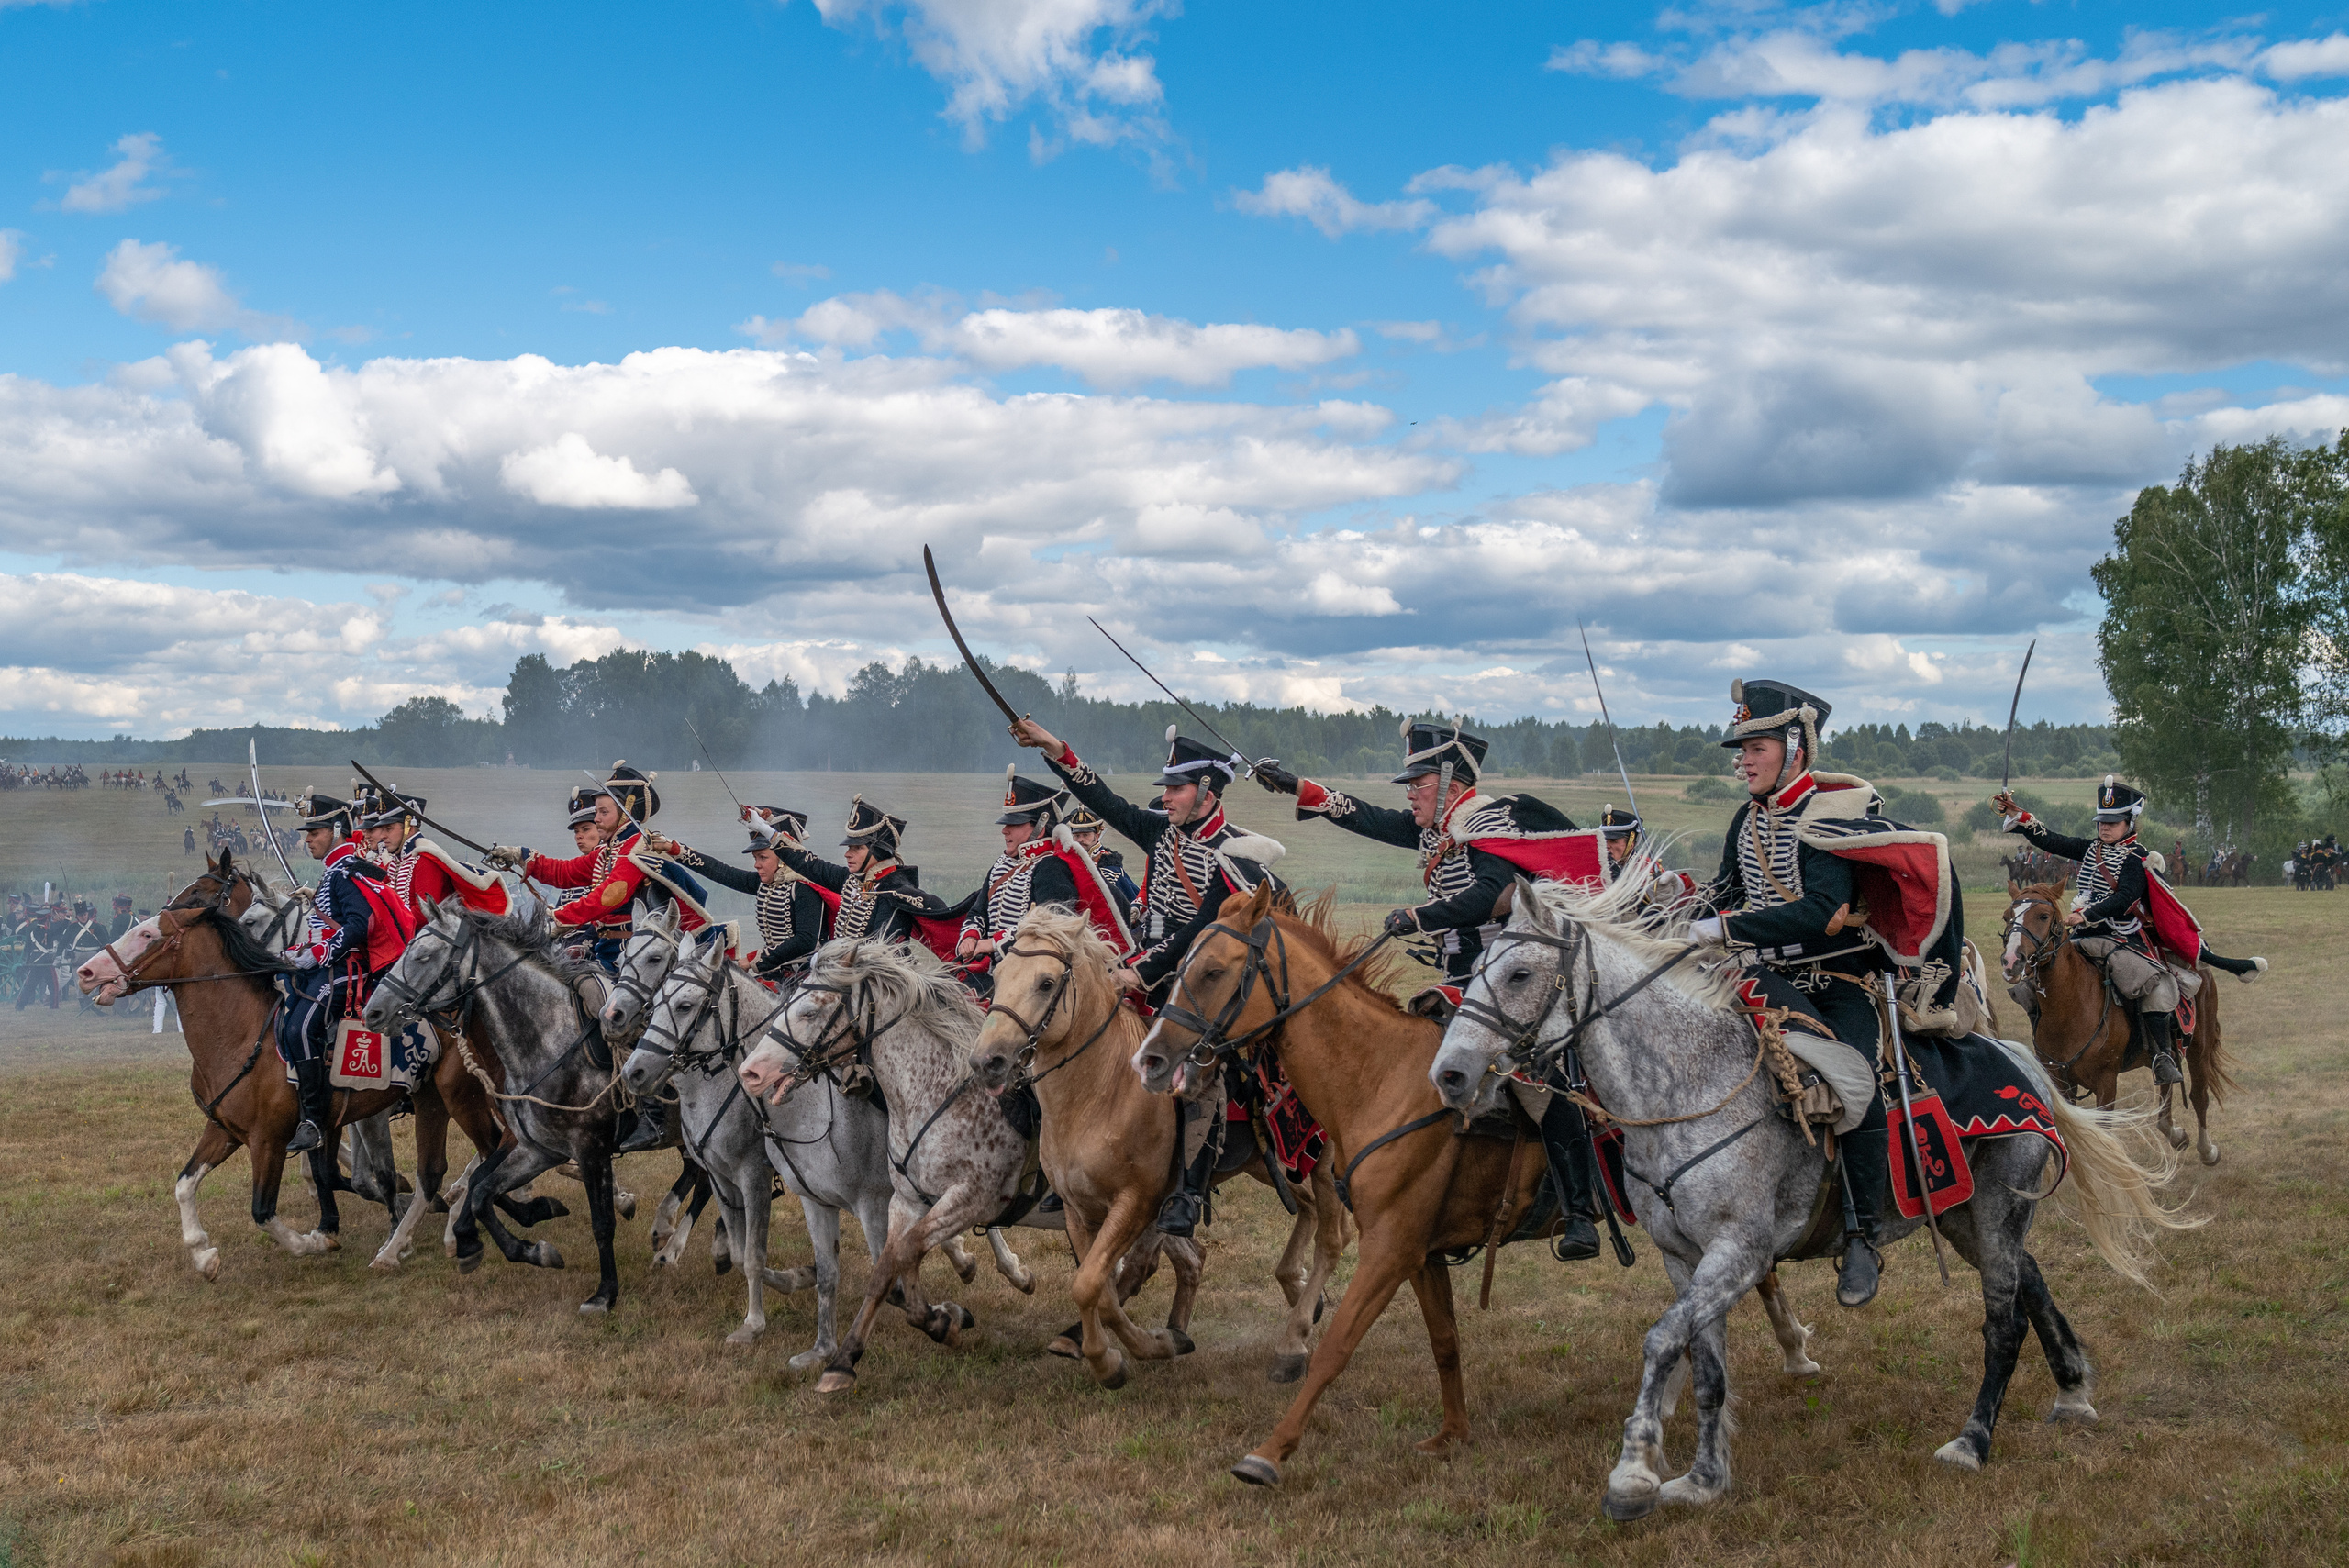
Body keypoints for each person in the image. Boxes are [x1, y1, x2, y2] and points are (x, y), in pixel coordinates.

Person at [1257, 719, 1604, 1261]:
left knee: (1542, 1078)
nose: (1411, 794)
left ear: (1448, 782)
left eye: (1418, 783)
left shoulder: (1487, 824)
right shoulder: (1438, 830)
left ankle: (1580, 1210)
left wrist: (1421, 915)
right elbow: (1373, 819)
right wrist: (1301, 788)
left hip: (1512, 979)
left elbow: (1494, 892)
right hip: (1463, 979)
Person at [1011, 717, 1284, 1239]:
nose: (1167, 798)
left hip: (1196, 983)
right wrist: (1055, 749)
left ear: (1207, 791)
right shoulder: (1162, 831)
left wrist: (1143, 970)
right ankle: (1065, 1172)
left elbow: (1205, 927)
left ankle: (1186, 1189)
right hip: (1142, 970)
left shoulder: (1236, 853)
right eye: (1167, 788)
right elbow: (1106, 800)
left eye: (1176, 788)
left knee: (1197, 1072)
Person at [1687, 679, 1890, 1308]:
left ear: (1795, 745)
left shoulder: (1827, 817)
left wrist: (1726, 927)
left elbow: (1821, 911)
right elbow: (1725, 891)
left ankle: (1863, 1233)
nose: (1743, 758)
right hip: (1765, 981)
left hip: (1836, 984)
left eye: (1756, 744)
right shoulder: (1746, 820)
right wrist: (1680, 901)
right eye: (1740, 747)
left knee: (1857, 1082)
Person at [487, 763, 710, 1155]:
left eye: (603, 811)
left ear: (626, 812)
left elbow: (609, 897)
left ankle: (654, 1113)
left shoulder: (636, 849)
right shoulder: (610, 849)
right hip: (609, 950)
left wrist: (560, 919)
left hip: (640, 957)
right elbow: (568, 872)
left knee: (623, 1021)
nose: (596, 818)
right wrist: (524, 858)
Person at [1992, 776, 2266, 1084]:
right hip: (2082, 938)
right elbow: (2053, 840)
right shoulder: (2091, 848)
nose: (2105, 828)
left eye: (2115, 822)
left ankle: (2162, 1054)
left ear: (2130, 822)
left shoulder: (2137, 857)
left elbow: (2126, 898)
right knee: (2038, 978)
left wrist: (2087, 915)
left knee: (2152, 985)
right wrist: (2019, 816)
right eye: (2102, 822)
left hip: (2122, 937)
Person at [278, 791, 409, 1154]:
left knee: (299, 1027)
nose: (307, 840)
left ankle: (314, 1121)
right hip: (330, 965)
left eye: (315, 832)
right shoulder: (336, 870)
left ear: (336, 829)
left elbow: (358, 925)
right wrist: (301, 951)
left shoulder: (346, 870)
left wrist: (318, 954)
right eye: (307, 833)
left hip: (346, 971)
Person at [652, 808, 829, 985]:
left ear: (783, 858)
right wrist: (674, 849)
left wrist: (754, 959)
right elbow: (722, 872)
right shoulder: (765, 883)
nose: (757, 864)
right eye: (755, 858)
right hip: (774, 970)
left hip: (808, 972)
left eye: (763, 858)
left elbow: (805, 940)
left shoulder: (805, 888)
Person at [766, 796, 950, 945]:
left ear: (877, 851)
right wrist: (765, 829)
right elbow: (810, 865)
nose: (847, 854)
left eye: (856, 848)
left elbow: (882, 952)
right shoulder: (854, 881)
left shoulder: (893, 893)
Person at [955, 769, 1085, 973]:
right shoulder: (1002, 864)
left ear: (1040, 828)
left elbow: (1051, 924)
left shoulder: (1051, 867)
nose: (1004, 830)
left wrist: (993, 943)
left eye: (1014, 824)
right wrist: (971, 936)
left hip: (1033, 974)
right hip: (996, 970)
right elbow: (978, 911)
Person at [1067, 805, 1138, 925]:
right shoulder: (1070, 860)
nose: (1080, 840)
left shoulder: (1110, 870)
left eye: (1086, 835)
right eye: (1077, 835)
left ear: (1097, 835)